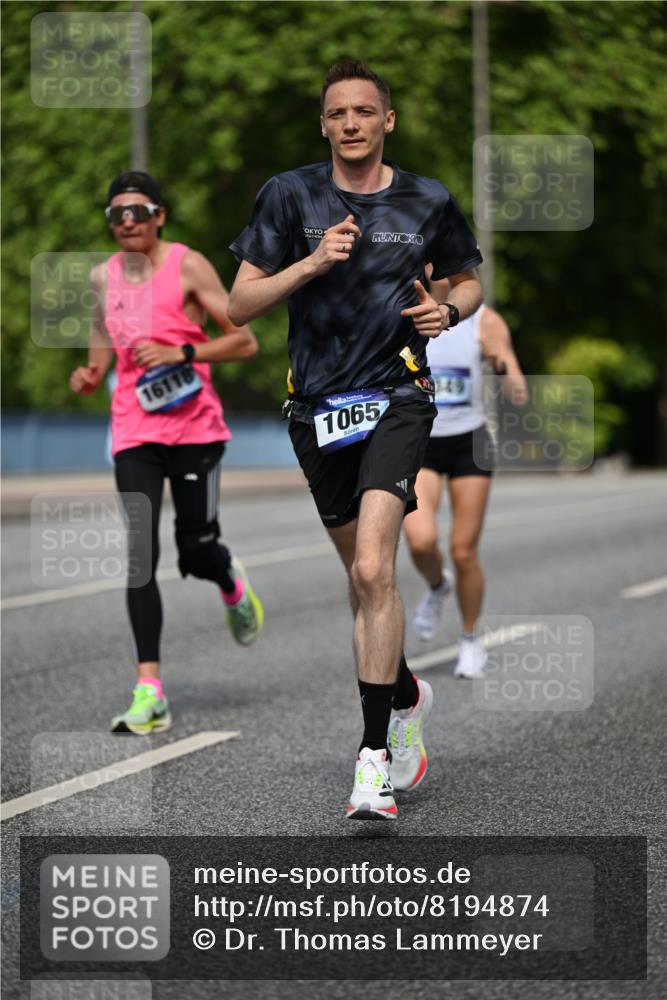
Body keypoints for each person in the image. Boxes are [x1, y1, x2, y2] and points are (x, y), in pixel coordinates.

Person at [227, 61, 483, 820]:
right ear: (324, 125)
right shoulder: (289, 195)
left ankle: (371, 761)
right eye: (337, 112)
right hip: (316, 410)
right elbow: (240, 305)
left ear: (386, 121)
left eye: (364, 111)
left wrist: (448, 314)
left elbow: (466, 280)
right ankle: (405, 696)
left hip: (399, 395)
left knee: (376, 565)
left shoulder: (426, 198)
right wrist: (310, 262)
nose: (350, 123)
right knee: (362, 582)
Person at [69, 171, 264, 735]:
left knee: (195, 549)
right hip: (134, 429)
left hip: (195, 428)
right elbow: (103, 338)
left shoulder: (188, 265)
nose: (126, 221)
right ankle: (149, 688)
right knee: (138, 554)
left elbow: (244, 341)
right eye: (116, 214)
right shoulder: (102, 277)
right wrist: (92, 372)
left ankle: (227, 577)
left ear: (160, 216)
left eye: (138, 211)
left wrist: (183, 350)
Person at [404, 278, 528, 676]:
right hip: (419, 440)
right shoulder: (404, 310)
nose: (433, 270)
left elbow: (519, 391)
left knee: (463, 550)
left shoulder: (483, 320)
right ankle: (439, 586)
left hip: (468, 441)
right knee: (421, 540)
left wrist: (500, 362)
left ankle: (471, 639)